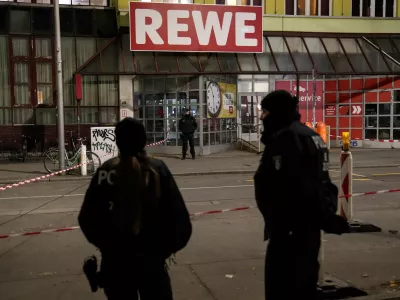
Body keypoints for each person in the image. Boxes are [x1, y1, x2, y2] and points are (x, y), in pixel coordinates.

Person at [78, 117, 192, 300]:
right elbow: (181, 222)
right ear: (144, 140)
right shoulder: (158, 170)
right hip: (152, 264)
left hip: (116, 265)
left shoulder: (105, 171)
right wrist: (161, 252)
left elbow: (86, 218)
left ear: (117, 140)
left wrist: (108, 247)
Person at [253, 90, 349, 300]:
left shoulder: (286, 139)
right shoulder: (311, 137)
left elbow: (295, 187)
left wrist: (280, 220)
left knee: (284, 289)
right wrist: (326, 218)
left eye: (265, 112)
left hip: (289, 234)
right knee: (304, 285)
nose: (261, 118)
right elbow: (323, 184)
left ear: (277, 113)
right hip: (306, 234)